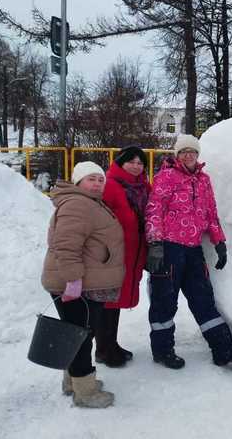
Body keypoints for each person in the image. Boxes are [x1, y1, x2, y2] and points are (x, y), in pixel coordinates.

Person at [145, 134, 232, 368]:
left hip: (193, 250)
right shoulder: (166, 177)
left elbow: (210, 214)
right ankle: (163, 351)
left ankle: (223, 350)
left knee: (203, 299)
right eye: (183, 152)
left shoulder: (204, 180)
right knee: (165, 301)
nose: (188, 155)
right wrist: (155, 244)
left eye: (192, 152)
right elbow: (154, 210)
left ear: (197, 155)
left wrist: (219, 242)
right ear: (177, 155)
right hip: (169, 249)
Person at [41, 161, 125, 409]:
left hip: (85, 282)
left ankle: (73, 382)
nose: (97, 183)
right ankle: (85, 392)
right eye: (91, 179)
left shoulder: (88, 203)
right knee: (81, 336)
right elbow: (66, 245)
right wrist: (73, 280)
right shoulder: (78, 204)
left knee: (74, 334)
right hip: (77, 284)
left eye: (100, 179)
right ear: (78, 182)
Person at [95, 146, 151, 368]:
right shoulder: (110, 186)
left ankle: (112, 344)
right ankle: (103, 350)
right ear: (121, 162)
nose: (136, 166)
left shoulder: (144, 187)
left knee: (115, 302)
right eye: (132, 162)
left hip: (133, 253)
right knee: (107, 301)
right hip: (113, 254)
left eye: (140, 163)